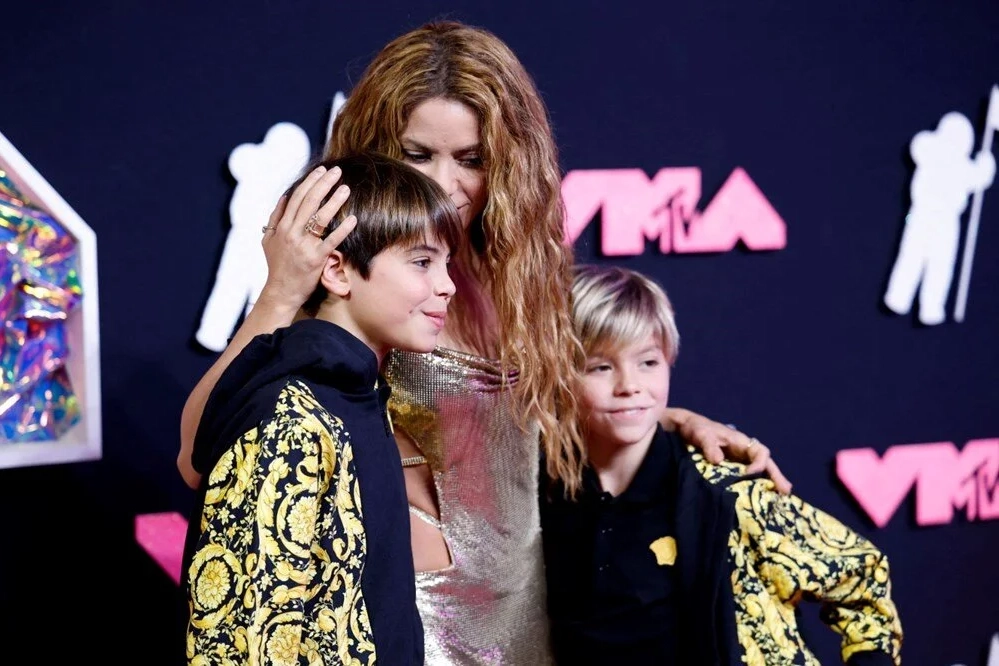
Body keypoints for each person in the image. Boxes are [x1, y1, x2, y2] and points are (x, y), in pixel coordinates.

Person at [178, 21, 790, 664]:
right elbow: (199, 455)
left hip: (525, 618)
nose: (446, 184)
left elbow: (535, 421)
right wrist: (280, 292)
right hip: (410, 631)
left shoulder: (522, 274)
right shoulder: (352, 280)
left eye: (471, 159)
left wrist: (668, 419)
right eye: (418, 155)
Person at [541, 264, 903, 665]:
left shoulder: (727, 493)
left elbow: (862, 576)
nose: (629, 385)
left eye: (648, 362)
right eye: (600, 367)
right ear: (559, 373)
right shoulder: (541, 487)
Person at [183, 152, 462, 665]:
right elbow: (247, 642)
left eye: (447, 263)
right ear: (336, 269)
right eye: (423, 262)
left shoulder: (361, 396)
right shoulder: (291, 419)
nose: (448, 284)